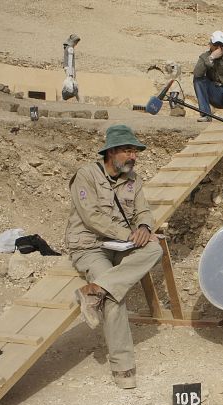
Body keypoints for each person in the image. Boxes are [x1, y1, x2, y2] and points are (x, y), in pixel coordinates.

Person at [66, 125, 164, 389]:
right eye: (127, 150)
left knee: (155, 248)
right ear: (111, 152)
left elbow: (143, 211)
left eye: (135, 151)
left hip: (120, 245)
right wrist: (128, 235)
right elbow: (91, 217)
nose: (133, 156)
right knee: (114, 298)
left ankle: (95, 290)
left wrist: (143, 228)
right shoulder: (85, 175)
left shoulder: (134, 180)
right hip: (89, 246)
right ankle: (123, 368)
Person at [62, 34, 80, 101]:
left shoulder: (67, 47)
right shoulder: (70, 48)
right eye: (76, 42)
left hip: (67, 67)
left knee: (72, 83)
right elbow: (70, 61)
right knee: (71, 83)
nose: (76, 44)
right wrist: (71, 73)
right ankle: (76, 99)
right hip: (70, 68)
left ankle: (78, 98)